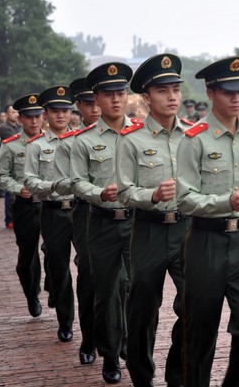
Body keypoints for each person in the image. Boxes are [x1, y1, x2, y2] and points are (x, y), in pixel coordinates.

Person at [176, 55, 239, 387]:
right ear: (210, 93)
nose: (236, 98)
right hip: (205, 242)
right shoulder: (195, 139)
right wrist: (225, 202)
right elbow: (184, 198)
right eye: (228, 92)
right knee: (200, 332)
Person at [116, 53, 189, 387]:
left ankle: (177, 374)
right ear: (146, 98)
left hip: (187, 230)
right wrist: (153, 195)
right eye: (162, 91)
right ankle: (142, 377)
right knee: (143, 310)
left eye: (175, 89)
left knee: (193, 305)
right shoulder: (131, 140)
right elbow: (124, 192)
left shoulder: (195, 137)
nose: (171, 96)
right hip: (148, 230)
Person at [70, 62, 134, 384]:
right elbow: (77, 182)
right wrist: (99, 193)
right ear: (96, 98)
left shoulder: (143, 134)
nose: (116, 99)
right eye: (108, 94)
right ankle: (109, 353)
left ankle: (128, 343)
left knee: (133, 286)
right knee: (105, 291)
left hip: (137, 222)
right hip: (100, 221)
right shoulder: (83, 140)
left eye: (121, 92)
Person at [53, 76, 101, 366]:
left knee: (126, 281)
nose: (95, 108)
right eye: (88, 103)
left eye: (98, 102)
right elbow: (62, 181)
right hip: (87, 213)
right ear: (78, 107)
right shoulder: (71, 143)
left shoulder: (132, 135)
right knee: (89, 277)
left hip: (127, 215)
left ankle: (119, 336)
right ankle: (89, 338)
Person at [23, 86, 76, 343]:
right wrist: (52, 186)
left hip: (81, 210)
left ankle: (94, 326)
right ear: (46, 114)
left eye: (65, 110)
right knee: (59, 268)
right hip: (53, 212)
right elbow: (30, 180)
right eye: (55, 111)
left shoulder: (82, 141)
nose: (61, 115)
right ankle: (65, 321)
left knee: (90, 267)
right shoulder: (36, 146)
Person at [0, 94, 44, 317]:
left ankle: (56, 287)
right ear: (20, 119)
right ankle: (32, 294)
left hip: (52, 206)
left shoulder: (55, 142)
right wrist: (18, 188)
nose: (34, 121)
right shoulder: (11, 145)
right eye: (29, 117)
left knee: (55, 252)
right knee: (27, 257)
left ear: (43, 117)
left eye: (37, 116)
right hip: (26, 206)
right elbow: (2, 176)